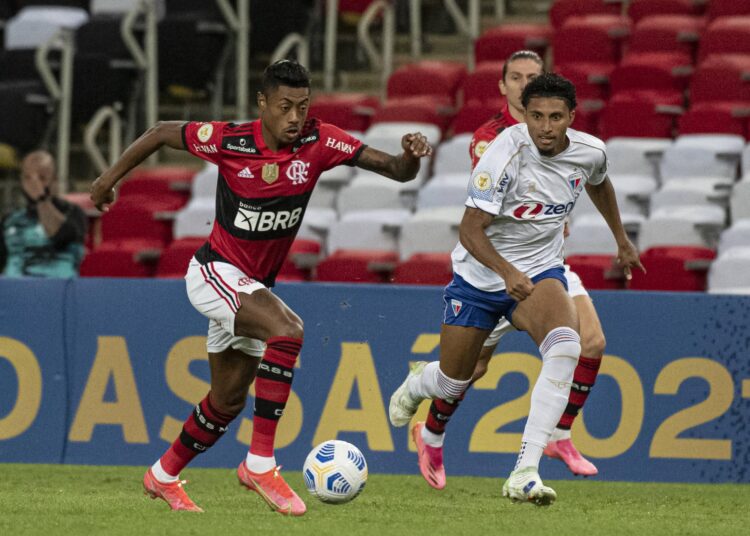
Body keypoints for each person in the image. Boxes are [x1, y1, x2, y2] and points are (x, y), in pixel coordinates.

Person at [90, 60, 433, 516]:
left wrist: (409, 156)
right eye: (286, 107)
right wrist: (106, 181)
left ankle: (163, 475)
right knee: (287, 330)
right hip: (214, 272)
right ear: (263, 104)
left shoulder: (319, 140)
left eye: (303, 107)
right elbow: (158, 131)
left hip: (250, 285)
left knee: (226, 401)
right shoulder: (230, 140)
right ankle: (259, 464)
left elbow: (395, 170)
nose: (295, 117)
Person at [388, 73, 643, 506]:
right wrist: (505, 273)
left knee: (567, 345)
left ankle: (525, 472)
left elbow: (599, 182)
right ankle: (418, 384)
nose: (545, 127)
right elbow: (470, 230)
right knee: (452, 383)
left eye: (556, 117)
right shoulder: (503, 155)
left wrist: (621, 238)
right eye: (536, 116)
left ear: (571, 117)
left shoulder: (590, 151)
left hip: (540, 270)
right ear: (524, 115)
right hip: (479, 279)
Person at [0, 150, 86, 277]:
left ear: (55, 181)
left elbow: (61, 237)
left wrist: (41, 198)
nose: (34, 184)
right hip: (14, 291)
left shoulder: (73, 212)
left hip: (58, 291)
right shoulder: (10, 220)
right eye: (27, 177)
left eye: (42, 178)